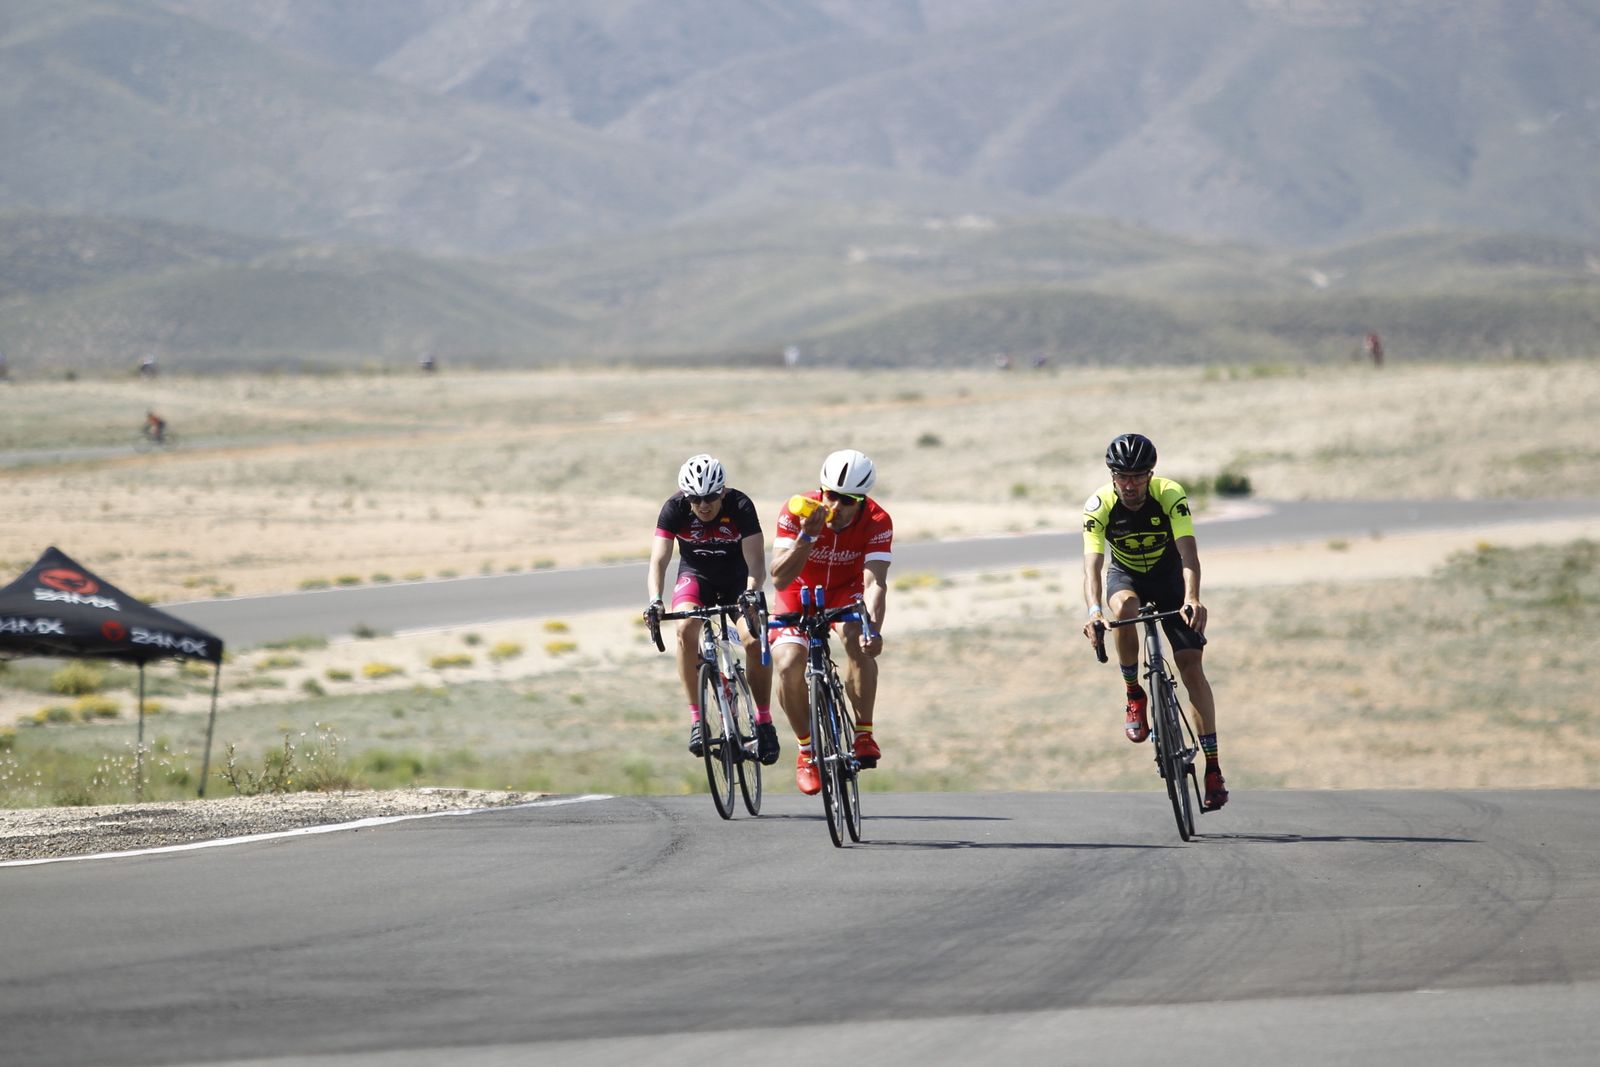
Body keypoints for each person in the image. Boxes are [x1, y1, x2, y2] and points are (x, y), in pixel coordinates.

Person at [1080, 433, 1227, 811]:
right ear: (1112, 476)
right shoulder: (1099, 506)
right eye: (1122, 476)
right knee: (1124, 610)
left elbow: (1188, 552)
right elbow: (1093, 567)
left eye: (1138, 476)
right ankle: (1134, 693)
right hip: (1126, 577)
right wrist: (1094, 612)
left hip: (1169, 579)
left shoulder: (1170, 495)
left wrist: (1192, 598)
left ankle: (1212, 768)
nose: (1129, 485)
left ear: (1151, 474)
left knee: (1192, 666)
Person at [770, 448, 892, 795]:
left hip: (844, 590)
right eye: (831, 496)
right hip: (798, 590)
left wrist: (874, 629)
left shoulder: (878, 521)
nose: (836, 507)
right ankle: (807, 752)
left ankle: (863, 732)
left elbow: (875, 583)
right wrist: (807, 536)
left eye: (848, 500)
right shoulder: (796, 511)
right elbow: (778, 579)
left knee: (857, 638)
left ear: (863, 500)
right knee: (789, 663)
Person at [645, 454, 778, 764]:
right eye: (694, 498)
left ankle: (763, 720)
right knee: (684, 630)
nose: (703, 505)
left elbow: (757, 562)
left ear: (723, 492)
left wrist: (750, 592)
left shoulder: (741, 505)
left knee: (755, 640)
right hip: (696, 577)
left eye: (710, 497)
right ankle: (697, 719)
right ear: (685, 496)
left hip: (737, 580)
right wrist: (655, 599)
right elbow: (659, 560)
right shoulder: (673, 509)